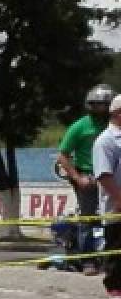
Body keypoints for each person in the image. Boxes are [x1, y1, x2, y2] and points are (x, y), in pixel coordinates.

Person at [58, 84, 115, 276]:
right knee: (88, 218)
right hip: (88, 176)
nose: (100, 109)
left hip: (112, 176)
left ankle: (112, 259)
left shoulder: (115, 125)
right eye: (96, 105)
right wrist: (77, 177)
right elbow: (63, 155)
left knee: (114, 219)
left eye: (104, 105)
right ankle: (88, 260)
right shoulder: (80, 126)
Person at [91, 95, 121, 299]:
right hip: (116, 204)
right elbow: (104, 175)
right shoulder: (105, 141)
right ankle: (114, 287)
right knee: (116, 246)